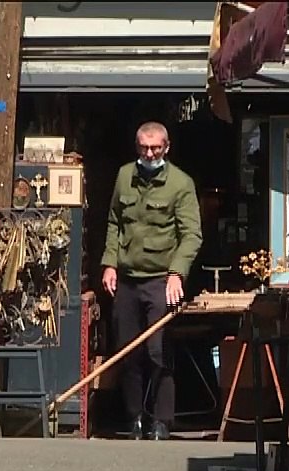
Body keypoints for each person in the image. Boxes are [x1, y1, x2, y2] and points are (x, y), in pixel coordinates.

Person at [100, 121, 203, 441]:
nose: (149, 154)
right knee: (128, 352)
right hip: (128, 279)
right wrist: (109, 263)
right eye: (144, 148)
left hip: (161, 280)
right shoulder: (124, 176)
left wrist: (177, 273)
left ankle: (161, 420)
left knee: (158, 352)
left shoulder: (181, 184)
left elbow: (192, 235)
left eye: (155, 148)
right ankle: (134, 418)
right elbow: (114, 222)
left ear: (166, 147)